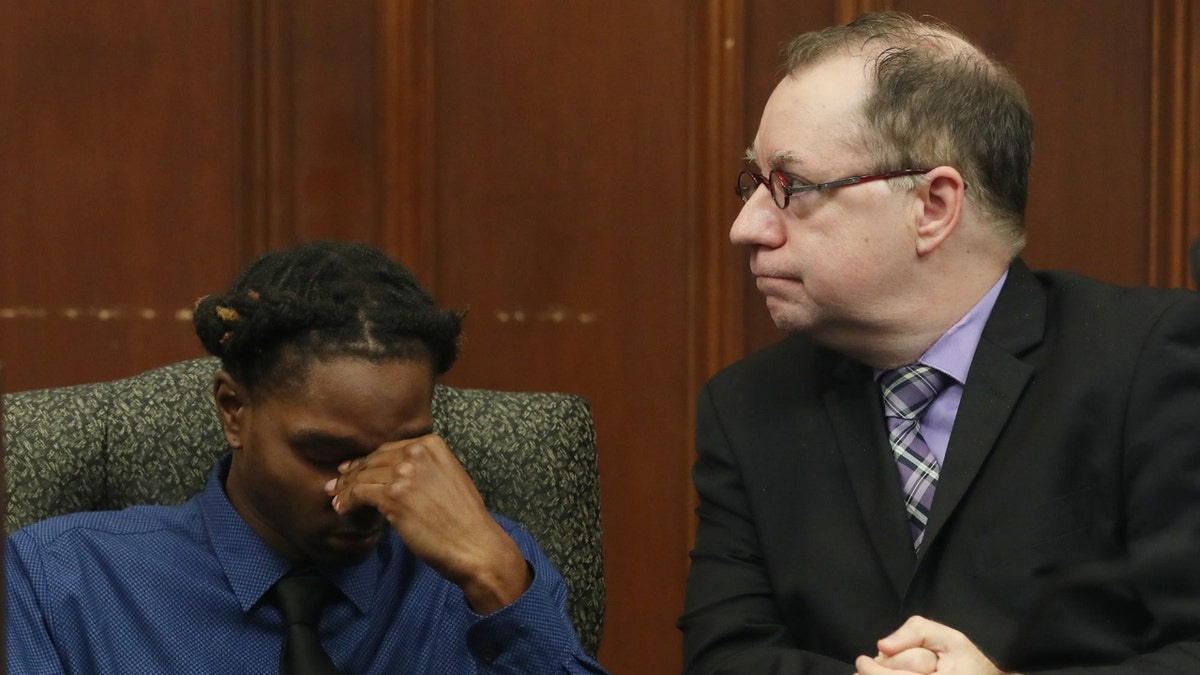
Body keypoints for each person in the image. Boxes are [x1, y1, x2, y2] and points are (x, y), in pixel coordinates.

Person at [679, 10, 1200, 675]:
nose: (746, 226)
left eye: (793, 187)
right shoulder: (748, 406)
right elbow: (725, 656)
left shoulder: (1146, 362)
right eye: (755, 184)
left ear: (932, 206)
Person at [7, 241, 606, 674]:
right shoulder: (59, 582)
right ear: (234, 411)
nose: (367, 490)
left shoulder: (492, 570)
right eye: (324, 453)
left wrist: (499, 586)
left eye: (401, 450)